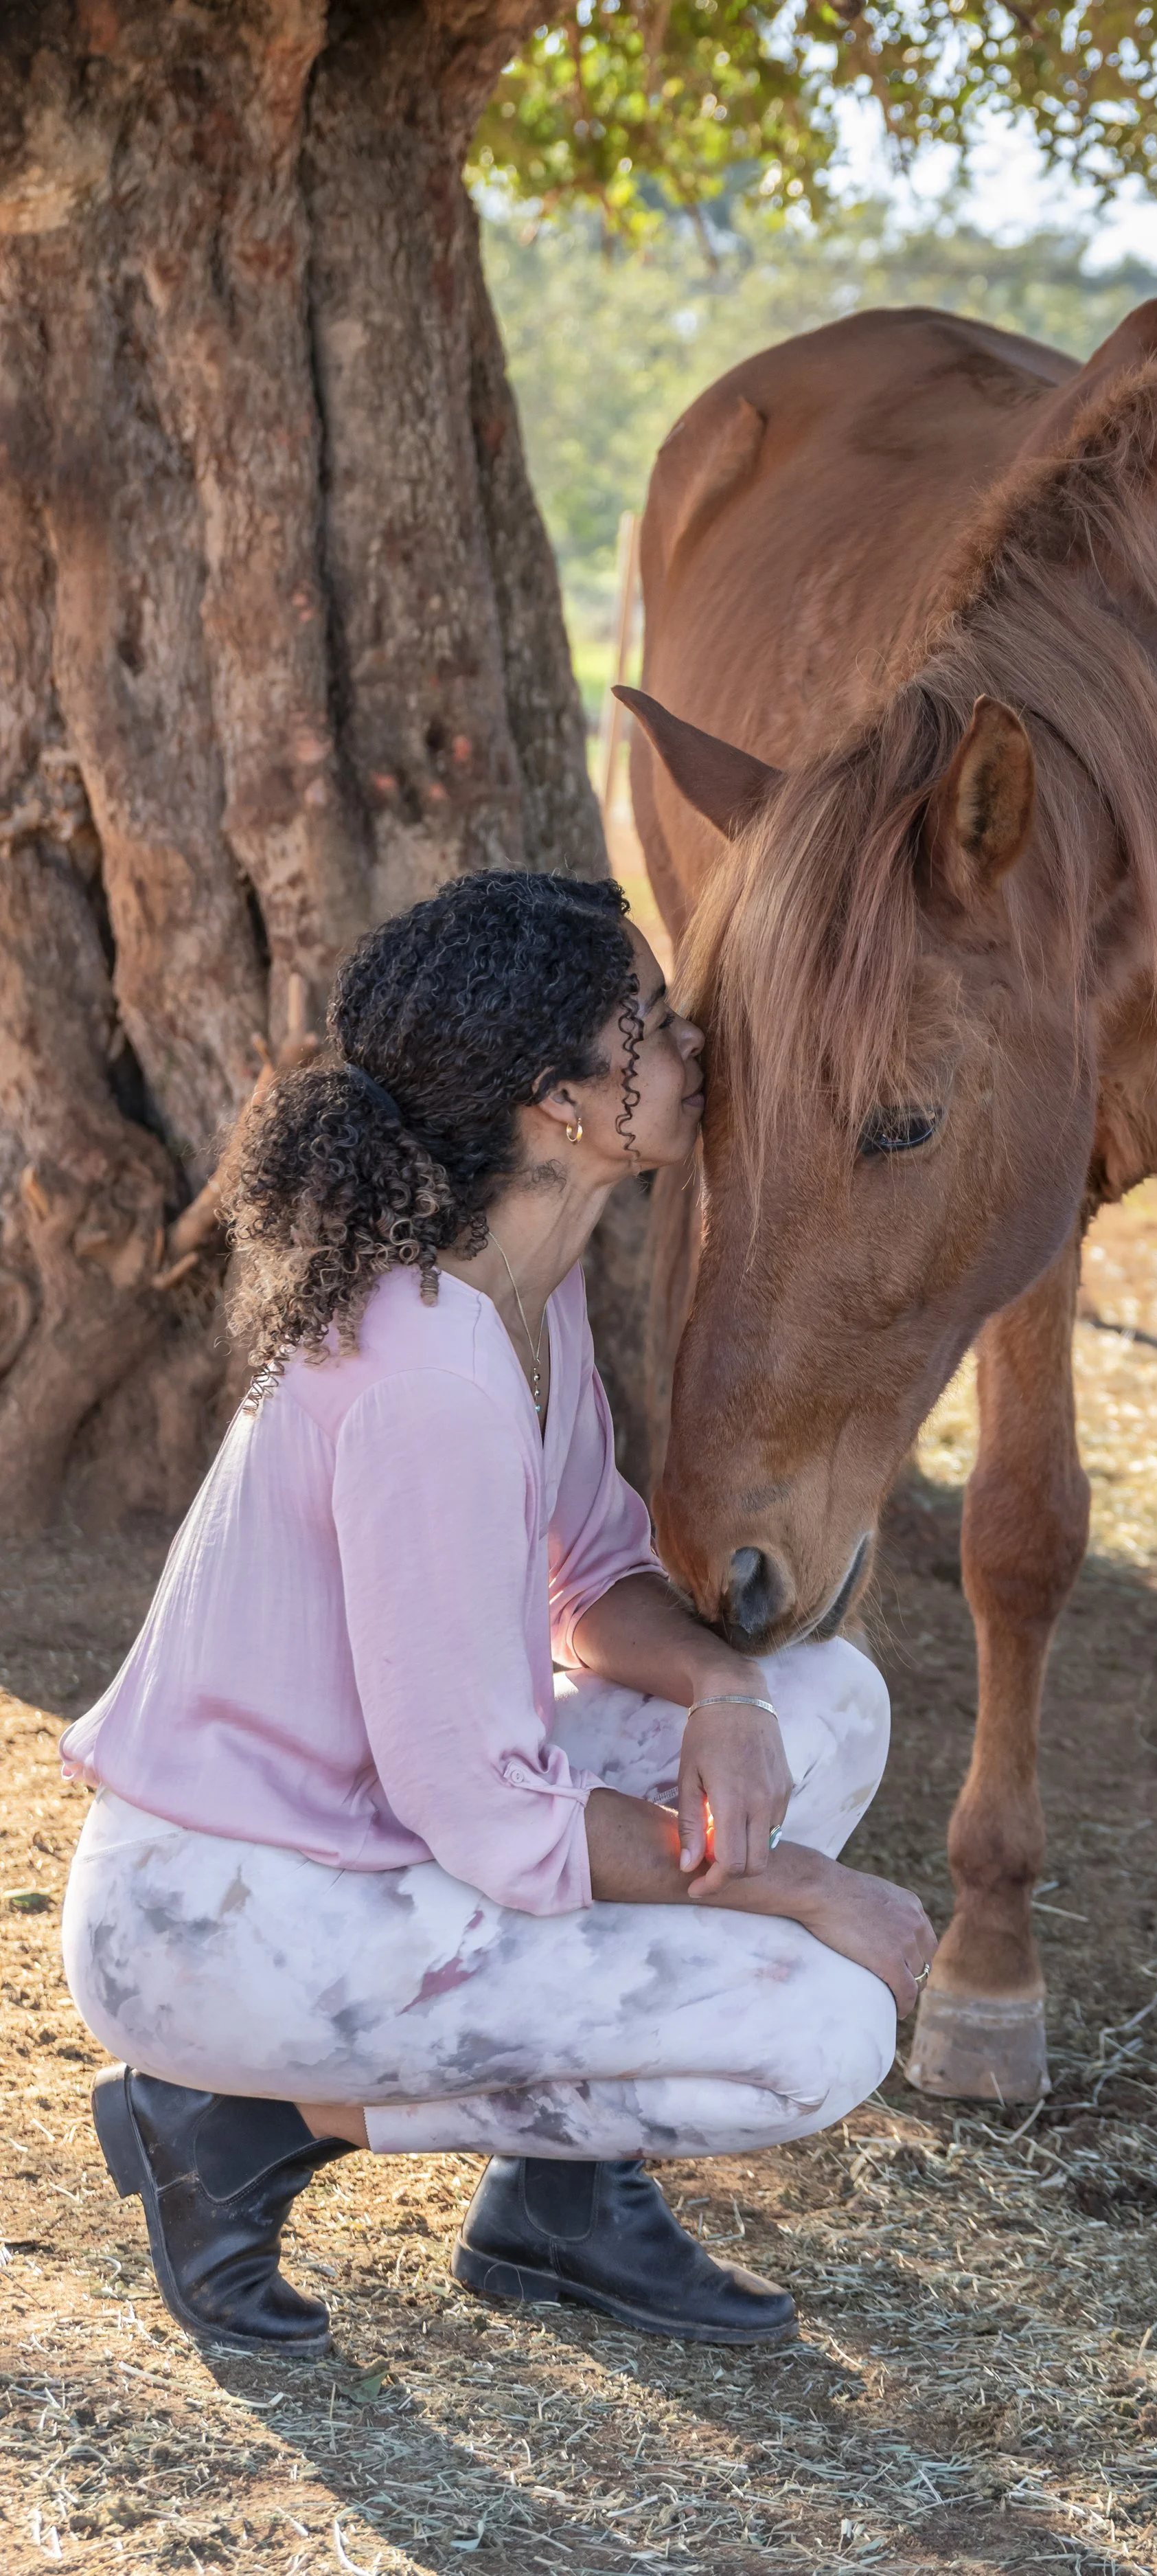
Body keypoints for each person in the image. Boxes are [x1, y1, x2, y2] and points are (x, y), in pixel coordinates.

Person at [59, 869, 935, 2358]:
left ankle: (560, 2208)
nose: (692, 1044)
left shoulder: (522, 1293)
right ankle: (239, 2129)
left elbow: (585, 1577)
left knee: (818, 1699)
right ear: (564, 1104)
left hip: (366, 1843)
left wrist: (724, 1696)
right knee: (817, 2031)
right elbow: (484, 1810)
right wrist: (787, 1885)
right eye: (646, 1025)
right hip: (228, 1915)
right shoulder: (427, 1379)